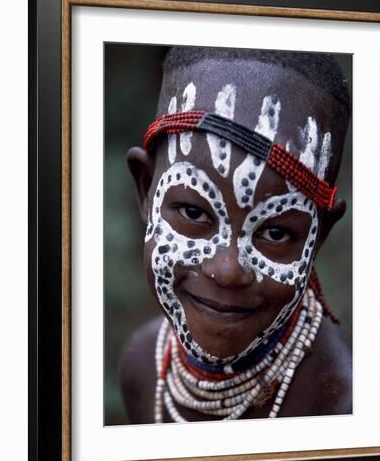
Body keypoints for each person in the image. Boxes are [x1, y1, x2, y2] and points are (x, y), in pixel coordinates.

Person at [118, 46, 352, 424]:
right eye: (194, 212)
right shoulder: (141, 366)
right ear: (147, 189)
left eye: (275, 232)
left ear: (317, 237)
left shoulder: (349, 407)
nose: (227, 270)